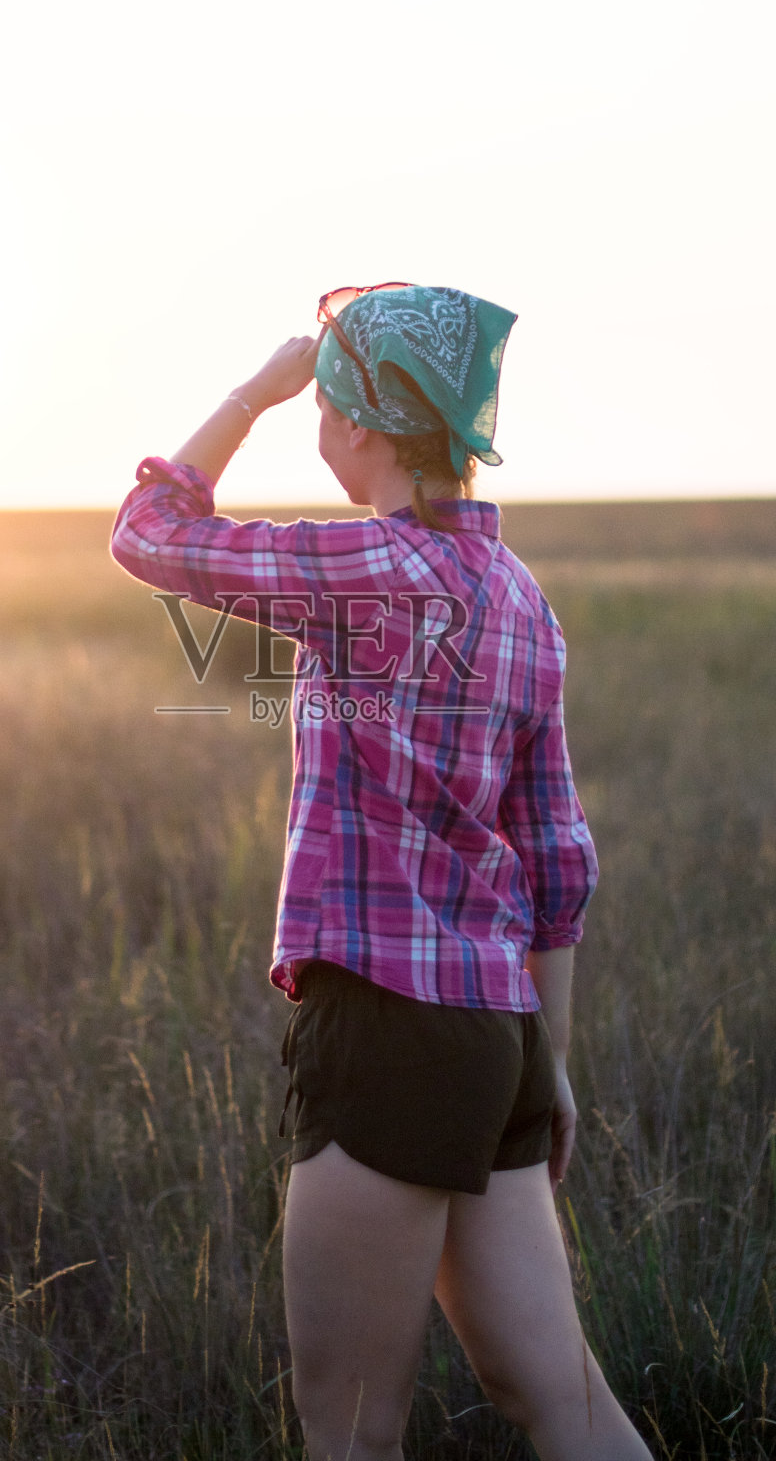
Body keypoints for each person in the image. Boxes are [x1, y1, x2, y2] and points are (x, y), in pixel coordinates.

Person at [110, 284, 651, 1461]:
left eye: (322, 400)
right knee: (557, 1400)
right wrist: (548, 1059)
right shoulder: (519, 597)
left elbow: (149, 533)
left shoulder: (364, 562)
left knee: (349, 1431)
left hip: (388, 1025)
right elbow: (554, 853)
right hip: (497, 1036)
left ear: (355, 421)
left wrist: (252, 393)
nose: (315, 417)